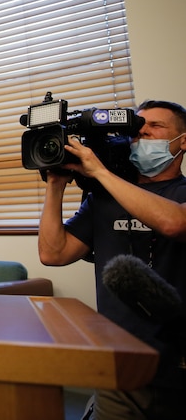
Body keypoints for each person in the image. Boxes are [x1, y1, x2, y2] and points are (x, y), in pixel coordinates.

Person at [38, 99, 186, 420]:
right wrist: (55, 186)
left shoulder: (180, 194)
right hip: (118, 361)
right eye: (137, 129)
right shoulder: (103, 198)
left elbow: (175, 223)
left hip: (177, 363)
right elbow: (53, 253)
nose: (142, 134)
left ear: (182, 141)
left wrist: (100, 173)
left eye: (155, 127)